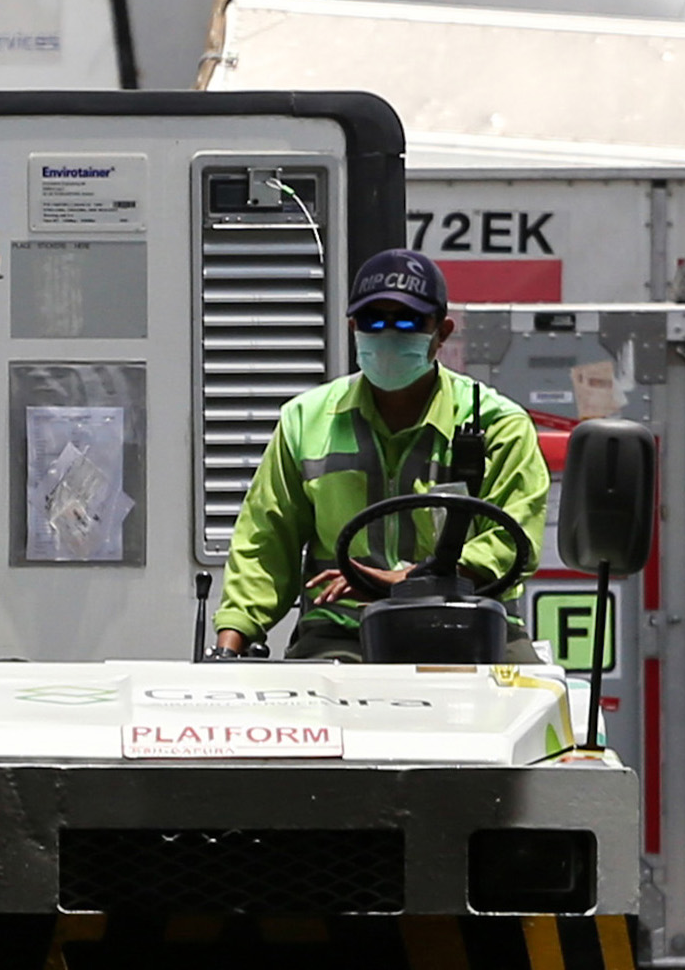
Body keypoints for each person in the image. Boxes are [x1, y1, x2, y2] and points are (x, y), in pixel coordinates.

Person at [215, 248, 551, 661]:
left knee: (525, 694)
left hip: (472, 625)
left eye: (408, 321)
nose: (388, 333)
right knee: (310, 697)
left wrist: (407, 581)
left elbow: (512, 540)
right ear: (354, 329)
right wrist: (229, 644)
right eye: (373, 321)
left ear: (442, 333)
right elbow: (265, 541)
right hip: (343, 634)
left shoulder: (499, 425)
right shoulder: (304, 421)